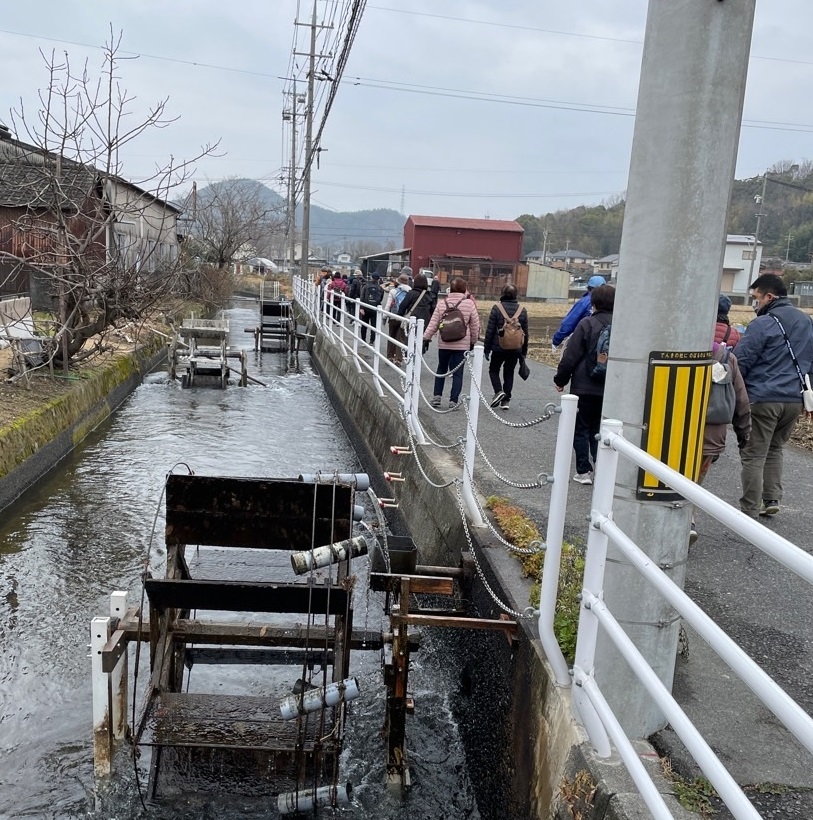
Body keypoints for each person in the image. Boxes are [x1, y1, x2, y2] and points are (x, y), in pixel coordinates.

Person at [732, 273, 813, 518]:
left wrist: (736, 391)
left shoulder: (763, 323)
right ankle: (771, 499)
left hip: (764, 397)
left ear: (769, 296)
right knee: (775, 449)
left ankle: (750, 508)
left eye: (756, 299)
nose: (754, 305)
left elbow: (742, 360)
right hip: (794, 399)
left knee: (754, 453)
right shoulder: (806, 321)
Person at [690, 321, 751, 543]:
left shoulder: (677, 351)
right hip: (711, 433)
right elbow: (741, 401)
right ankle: (689, 522)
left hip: (674, 430)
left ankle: (674, 524)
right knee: (695, 481)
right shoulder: (726, 357)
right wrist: (744, 434)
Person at [552, 284, 615, 484]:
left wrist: (560, 380)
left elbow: (571, 356)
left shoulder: (587, 324)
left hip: (584, 385)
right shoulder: (622, 326)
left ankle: (584, 471)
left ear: (593, 303)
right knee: (600, 429)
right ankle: (602, 469)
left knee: (581, 428)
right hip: (610, 386)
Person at [422, 277, 481, 410]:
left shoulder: (443, 303)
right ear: (464, 289)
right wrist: (473, 341)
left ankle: (437, 396)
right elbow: (475, 325)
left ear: (451, 288)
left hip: (444, 342)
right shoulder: (469, 304)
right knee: (458, 373)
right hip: (462, 344)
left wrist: (426, 337)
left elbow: (434, 322)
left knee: (441, 368)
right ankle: (453, 401)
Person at [483, 284, 529, 411]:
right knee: (509, 372)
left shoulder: (497, 308)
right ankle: (506, 400)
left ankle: (498, 391)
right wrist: (523, 351)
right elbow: (525, 332)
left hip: (499, 347)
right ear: (516, 295)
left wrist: (487, 349)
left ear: (502, 293)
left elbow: (490, 330)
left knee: (493, 370)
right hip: (515, 348)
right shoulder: (522, 310)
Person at [552, 275, 607, 349]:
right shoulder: (610, 302)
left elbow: (570, 322)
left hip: (584, 342)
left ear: (589, 288)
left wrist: (557, 340)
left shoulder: (585, 302)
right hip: (604, 343)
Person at [397, 272, 435, 346]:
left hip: (412, 321)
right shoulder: (430, 296)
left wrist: (399, 316)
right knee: (421, 344)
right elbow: (433, 310)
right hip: (425, 322)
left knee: (410, 343)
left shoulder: (411, 293)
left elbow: (402, 306)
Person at [384, 271, 412, 363]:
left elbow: (388, 305)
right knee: (400, 338)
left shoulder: (393, 291)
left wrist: (384, 316)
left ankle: (390, 357)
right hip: (404, 318)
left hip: (393, 316)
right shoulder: (410, 292)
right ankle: (398, 359)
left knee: (391, 336)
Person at [359, 271, 385, 344]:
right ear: (378, 279)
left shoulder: (366, 286)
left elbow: (362, 297)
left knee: (364, 325)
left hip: (366, 307)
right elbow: (381, 298)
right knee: (374, 326)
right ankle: (372, 341)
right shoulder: (380, 288)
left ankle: (363, 340)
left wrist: (361, 307)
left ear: (371, 277)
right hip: (375, 308)